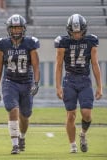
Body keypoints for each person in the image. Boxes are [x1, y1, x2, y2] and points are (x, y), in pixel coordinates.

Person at [54, 14, 103, 153]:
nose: (76, 34)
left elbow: (94, 64)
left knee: (86, 113)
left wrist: (99, 86)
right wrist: (58, 86)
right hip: (69, 80)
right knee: (71, 115)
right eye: (74, 31)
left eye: (79, 31)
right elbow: (58, 65)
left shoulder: (91, 41)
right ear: (69, 30)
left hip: (84, 80)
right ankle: (73, 145)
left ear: (84, 30)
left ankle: (82, 134)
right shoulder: (63, 42)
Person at [0, 14, 40, 154]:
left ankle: (22, 137)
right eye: (13, 28)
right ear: (9, 29)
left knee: (25, 116)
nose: (16, 31)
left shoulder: (30, 43)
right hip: (10, 81)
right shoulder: (3, 44)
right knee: (12, 109)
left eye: (18, 28)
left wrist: (36, 83)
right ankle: (14, 145)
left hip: (26, 82)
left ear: (24, 28)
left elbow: (36, 65)